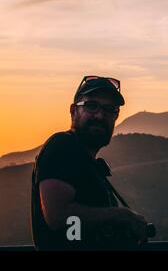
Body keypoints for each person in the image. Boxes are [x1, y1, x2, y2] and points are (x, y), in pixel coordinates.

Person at [31, 76, 148, 250]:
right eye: (91, 106)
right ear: (73, 111)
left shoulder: (87, 161)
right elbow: (58, 216)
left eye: (110, 109)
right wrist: (122, 215)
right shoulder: (62, 146)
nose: (100, 115)